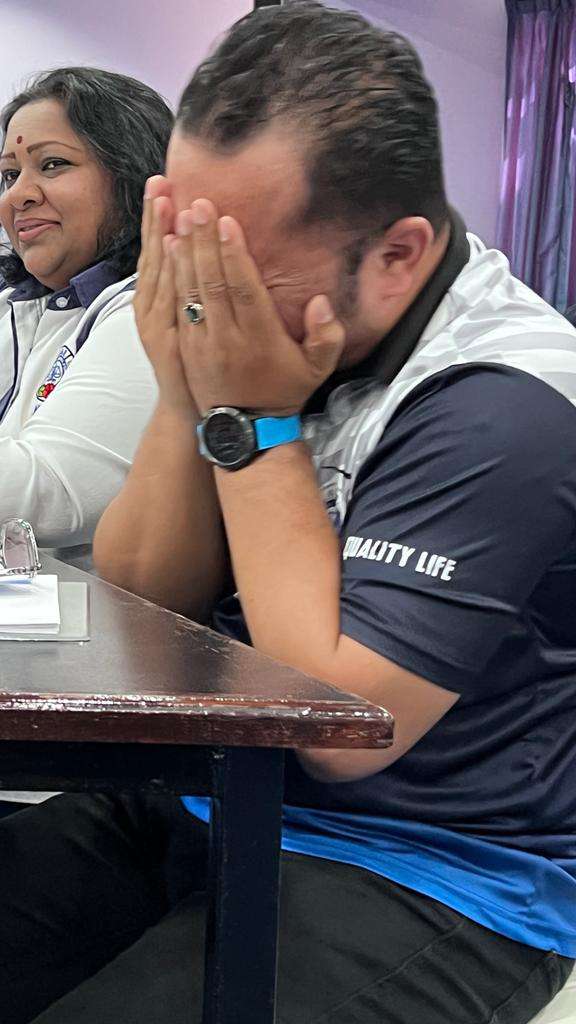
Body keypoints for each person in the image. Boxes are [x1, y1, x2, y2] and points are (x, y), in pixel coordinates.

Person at [3, 4, 576, 1022]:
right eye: (188, 255)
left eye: (238, 274)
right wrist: (184, 388)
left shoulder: (507, 401)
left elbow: (344, 729)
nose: (205, 297)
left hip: (434, 862)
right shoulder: (270, 320)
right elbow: (144, 601)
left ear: (398, 254)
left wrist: (256, 418)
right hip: (213, 793)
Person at [0, 67, 170, 570]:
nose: (19, 195)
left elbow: (48, 497)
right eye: (9, 175)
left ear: (133, 179)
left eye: (52, 164)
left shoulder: (150, 310)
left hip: (102, 618)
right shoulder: (20, 306)